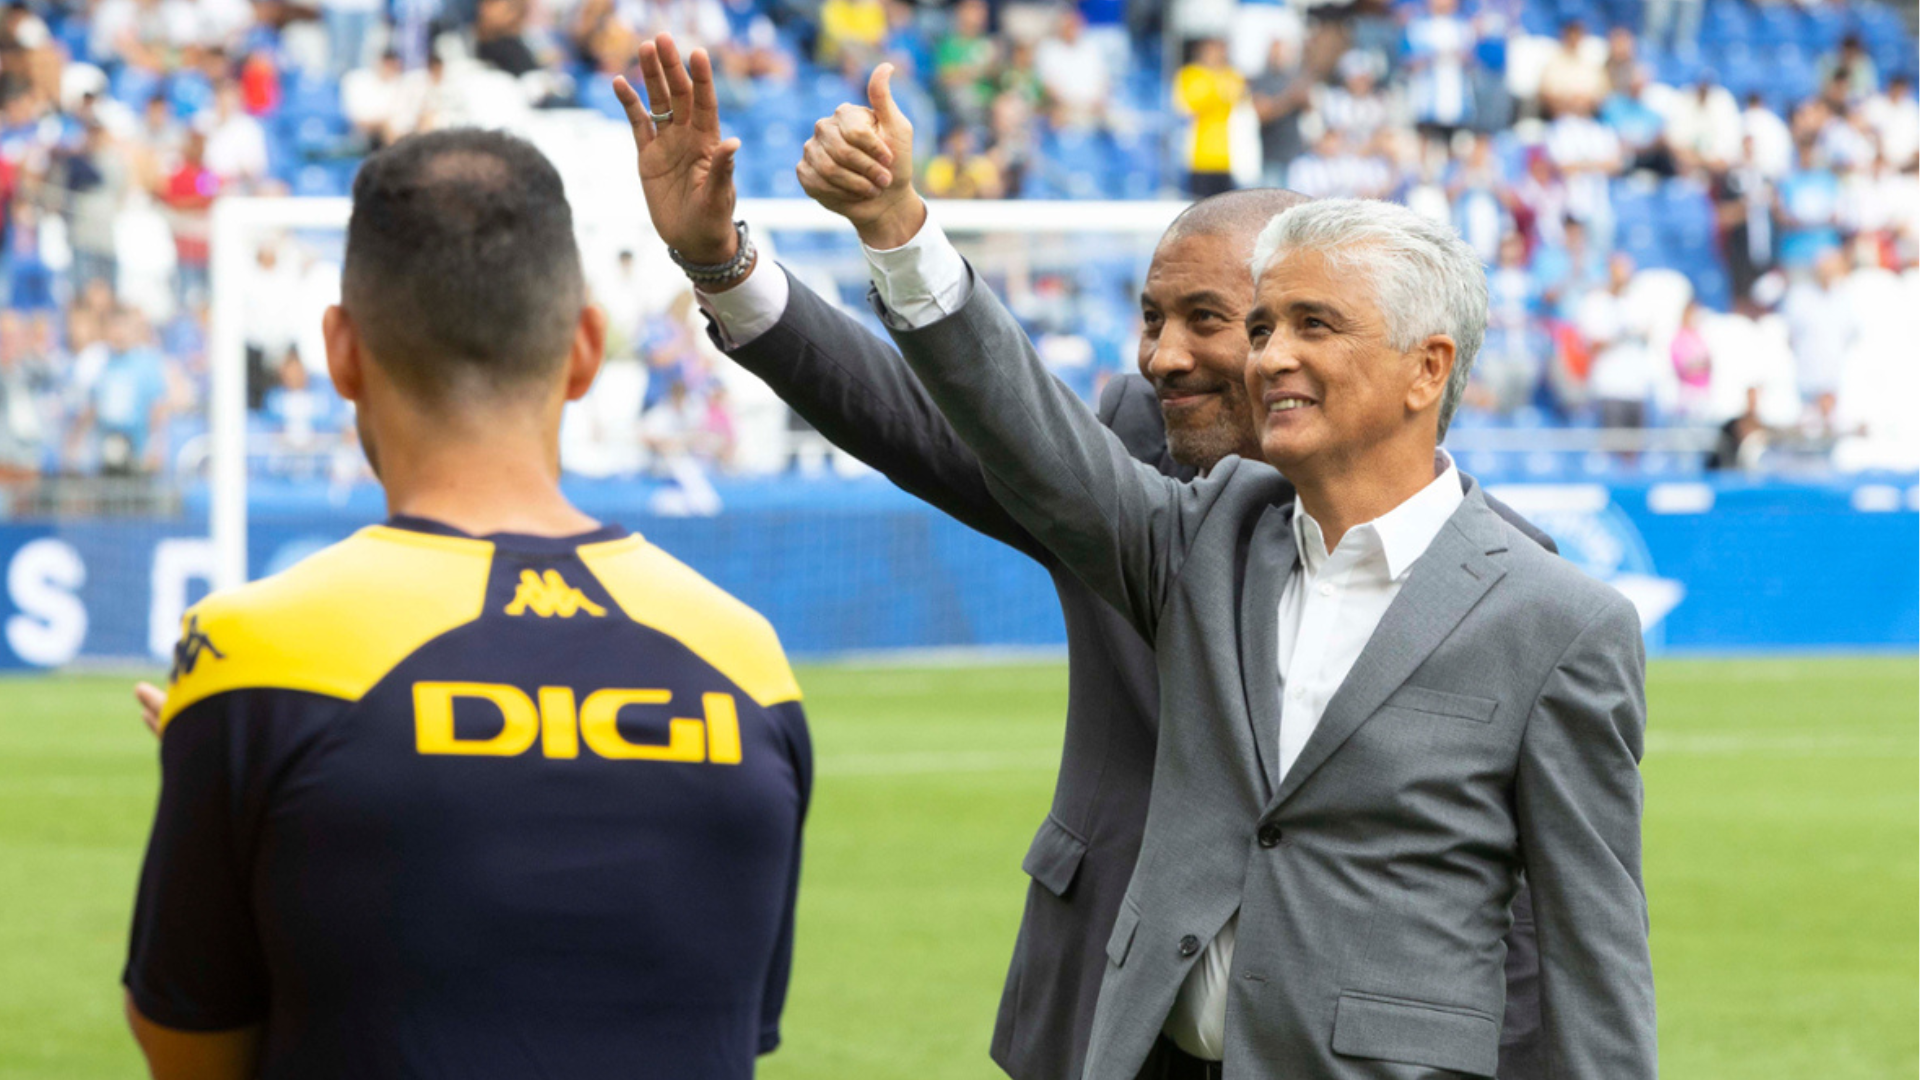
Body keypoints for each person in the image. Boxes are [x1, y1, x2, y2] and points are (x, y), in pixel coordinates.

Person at [613, 36, 1557, 1080]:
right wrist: (724, 264)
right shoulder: (1124, 456)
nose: (1162, 358)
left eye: (1208, 322)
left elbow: (1535, 915)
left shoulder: (1512, 581)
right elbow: (914, 421)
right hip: (1103, 1011)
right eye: (1151, 319)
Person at [122, 129, 812, 1080]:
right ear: (583, 350)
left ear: (341, 353)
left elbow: (190, 1053)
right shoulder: (746, 659)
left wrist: (235, 792)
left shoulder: (255, 658)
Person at [1174, 38, 1244, 197]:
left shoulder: (1232, 74)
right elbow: (1188, 107)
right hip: (1200, 157)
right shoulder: (1190, 75)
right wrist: (1216, 85)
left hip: (1230, 157)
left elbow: (1240, 101)